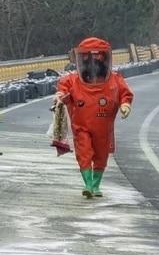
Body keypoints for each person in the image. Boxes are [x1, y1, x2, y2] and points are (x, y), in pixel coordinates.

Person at [55, 36, 133, 198]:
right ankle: (88, 184)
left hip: (103, 128)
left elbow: (125, 93)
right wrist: (60, 96)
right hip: (81, 126)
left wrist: (125, 104)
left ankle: (96, 185)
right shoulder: (73, 81)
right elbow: (63, 89)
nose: (92, 66)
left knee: (101, 155)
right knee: (84, 153)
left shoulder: (114, 80)